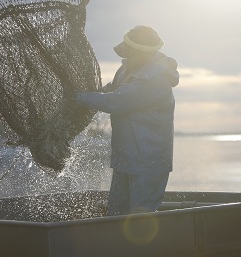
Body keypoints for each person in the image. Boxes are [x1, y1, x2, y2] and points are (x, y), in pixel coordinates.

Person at [75, 25, 179, 215]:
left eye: (130, 50)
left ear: (142, 52)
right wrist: (98, 91)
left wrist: (79, 97)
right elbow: (113, 90)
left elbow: (117, 101)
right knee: (116, 216)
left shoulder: (156, 79)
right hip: (126, 159)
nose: (126, 54)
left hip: (149, 163)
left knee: (141, 218)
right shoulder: (127, 69)